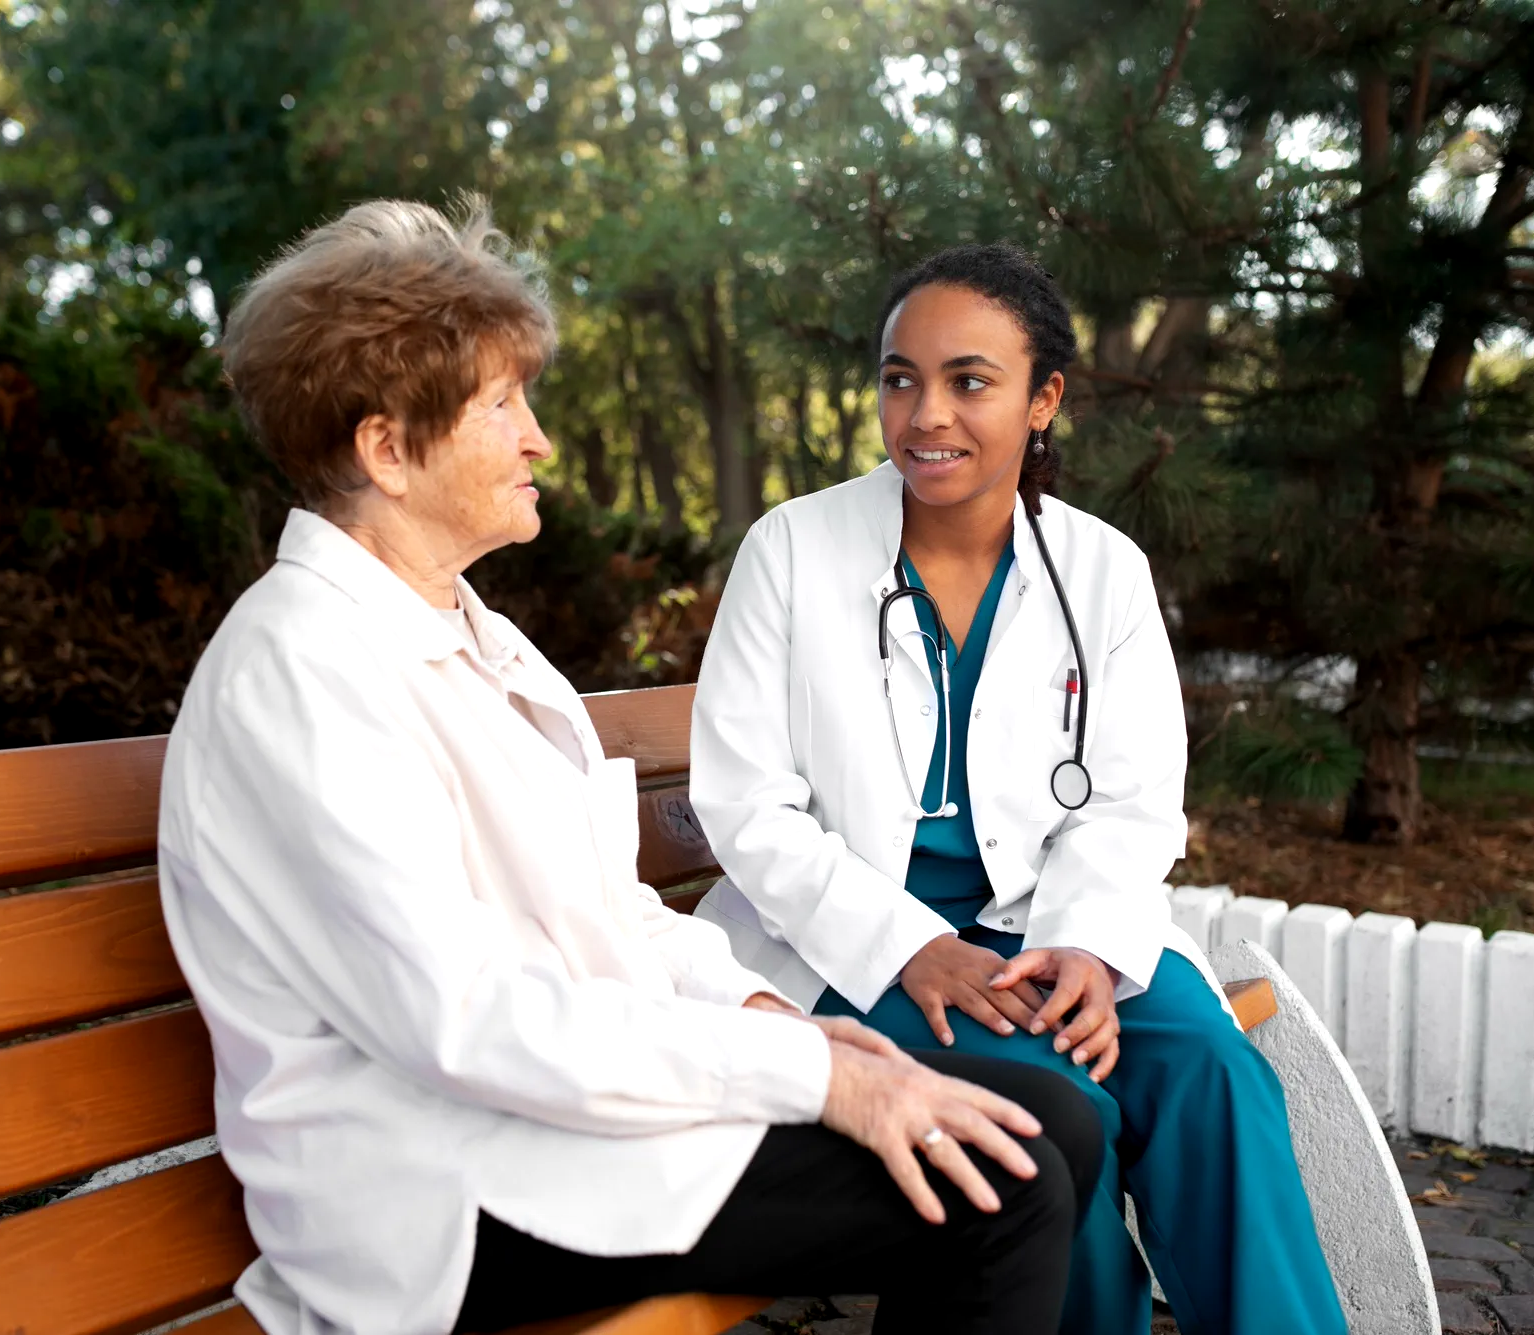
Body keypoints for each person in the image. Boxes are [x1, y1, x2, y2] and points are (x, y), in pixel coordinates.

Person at [155, 200, 1105, 1335]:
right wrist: (820, 1080)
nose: (537, 437)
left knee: (1056, 1118)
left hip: (557, 1117)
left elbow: (610, 914)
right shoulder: (298, 673)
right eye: (502, 403)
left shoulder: (463, 632)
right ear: (385, 450)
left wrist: (777, 1020)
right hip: (443, 1187)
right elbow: (464, 1022)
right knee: (1002, 1180)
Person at [688, 242, 1347, 1335]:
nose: (924, 414)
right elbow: (747, 807)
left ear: (1043, 399)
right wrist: (908, 946)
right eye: (900, 378)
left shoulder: (1100, 570)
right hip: (846, 941)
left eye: (968, 381)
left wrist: (1087, 948)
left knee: (1212, 1078)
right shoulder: (792, 550)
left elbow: (1129, 803)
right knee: (1054, 1111)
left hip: (1049, 931)